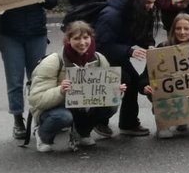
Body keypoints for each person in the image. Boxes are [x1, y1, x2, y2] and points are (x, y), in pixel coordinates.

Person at [27, 20, 124, 153]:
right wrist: (60, 90)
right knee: (63, 117)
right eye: (76, 38)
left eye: (86, 37)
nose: (82, 42)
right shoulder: (53, 61)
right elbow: (36, 100)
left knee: (111, 107)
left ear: (91, 37)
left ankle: (83, 132)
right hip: (55, 108)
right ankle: (42, 135)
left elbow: (106, 92)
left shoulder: (99, 59)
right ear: (68, 40)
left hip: (83, 107)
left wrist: (115, 90)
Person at [0, 0, 58, 142]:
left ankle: (39, 116)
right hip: (11, 34)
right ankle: (18, 119)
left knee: (37, 79)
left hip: (36, 34)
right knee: (14, 80)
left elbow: (51, 3)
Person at [94, 0, 158, 137]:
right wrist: (129, 51)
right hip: (102, 56)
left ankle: (128, 123)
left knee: (133, 81)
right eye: (148, 2)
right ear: (138, 0)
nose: (151, 6)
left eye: (153, 2)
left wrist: (149, 45)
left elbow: (144, 32)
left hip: (118, 51)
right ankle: (99, 121)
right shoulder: (111, 15)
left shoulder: (141, 9)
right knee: (120, 82)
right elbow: (101, 46)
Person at [154, 13, 189, 138]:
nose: (182, 32)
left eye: (186, 29)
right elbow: (146, 75)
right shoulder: (162, 47)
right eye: (178, 28)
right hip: (168, 90)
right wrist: (145, 86)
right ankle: (164, 124)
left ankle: (183, 117)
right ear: (173, 30)